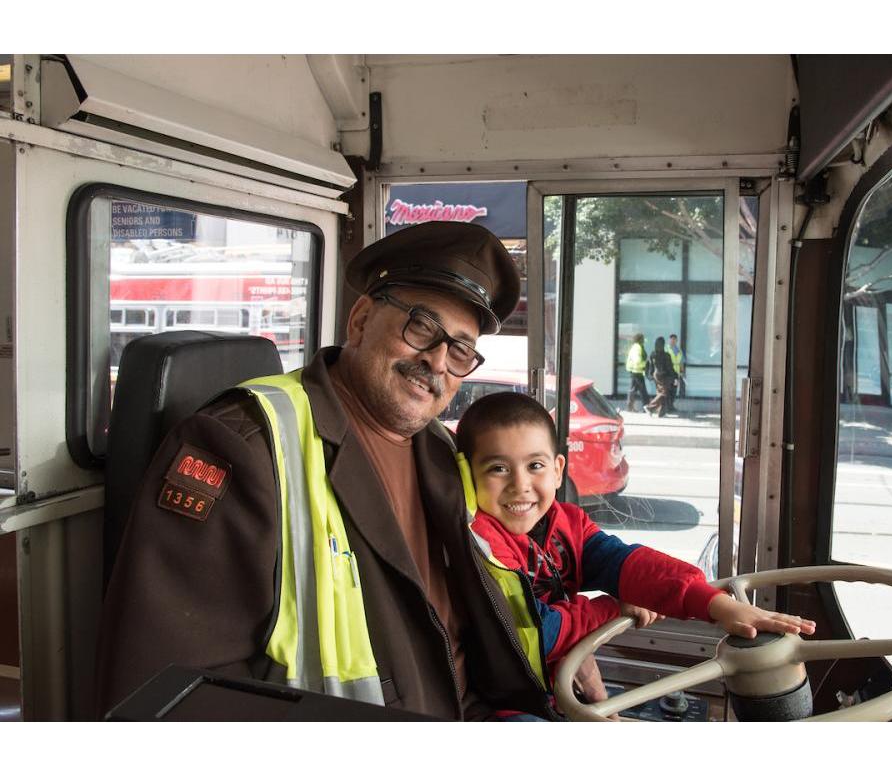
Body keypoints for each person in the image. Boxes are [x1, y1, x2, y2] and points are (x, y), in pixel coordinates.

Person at [95, 221, 559, 721]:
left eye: (461, 349)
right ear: (360, 320)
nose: (437, 362)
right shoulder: (243, 447)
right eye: (422, 327)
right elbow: (171, 694)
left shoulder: (440, 449)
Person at [457, 391, 816, 711]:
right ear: (468, 478)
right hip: (506, 703)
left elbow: (628, 565)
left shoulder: (567, 523)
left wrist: (718, 605)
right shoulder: (484, 542)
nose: (520, 485)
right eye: (498, 469)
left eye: (534, 466)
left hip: (561, 683)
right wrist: (612, 608)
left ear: (557, 470)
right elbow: (537, 632)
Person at [644, 335, 678, 416]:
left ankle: (661, 412)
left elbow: (649, 365)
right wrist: (675, 377)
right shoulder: (666, 355)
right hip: (664, 376)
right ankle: (650, 407)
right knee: (663, 393)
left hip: (656, 375)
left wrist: (650, 375)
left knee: (660, 393)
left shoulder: (653, 354)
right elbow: (670, 368)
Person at [624, 332, 650, 412]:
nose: (643, 340)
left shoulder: (636, 346)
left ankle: (630, 407)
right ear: (640, 339)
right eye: (642, 338)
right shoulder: (637, 347)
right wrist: (646, 362)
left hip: (635, 371)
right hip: (637, 371)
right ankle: (647, 407)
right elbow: (637, 361)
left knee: (633, 390)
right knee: (643, 391)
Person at [667, 333, 685, 403]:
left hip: (676, 373)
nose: (673, 341)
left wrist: (682, 372)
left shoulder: (679, 350)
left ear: (677, 341)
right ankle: (667, 405)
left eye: (675, 340)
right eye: (672, 340)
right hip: (668, 373)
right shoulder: (666, 349)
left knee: (674, 389)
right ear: (669, 340)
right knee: (668, 389)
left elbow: (681, 361)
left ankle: (671, 405)